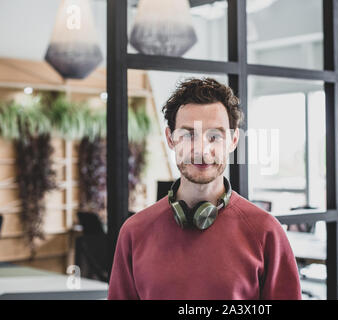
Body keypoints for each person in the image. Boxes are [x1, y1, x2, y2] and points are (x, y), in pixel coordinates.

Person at [107, 78, 301, 300]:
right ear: (170, 139)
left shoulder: (265, 232)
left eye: (215, 136)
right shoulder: (134, 232)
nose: (201, 150)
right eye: (188, 134)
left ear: (233, 140)